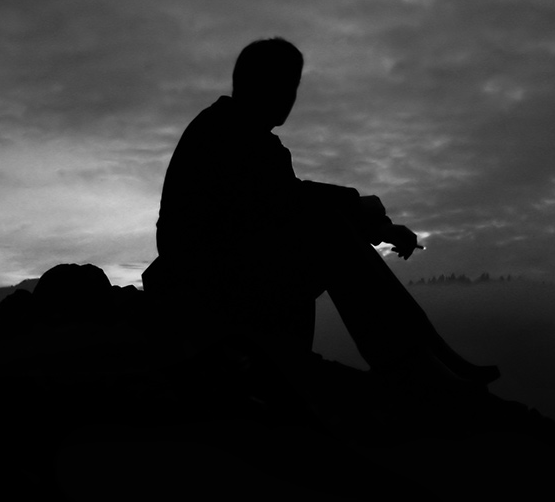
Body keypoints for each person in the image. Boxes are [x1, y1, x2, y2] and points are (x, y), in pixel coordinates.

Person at [142, 37, 498, 390]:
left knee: (324, 229)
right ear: (255, 83)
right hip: (203, 284)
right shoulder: (226, 131)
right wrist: (365, 209)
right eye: (283, 84)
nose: (289, 97)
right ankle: (414, 362)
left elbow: (287, 203)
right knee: (326, 232)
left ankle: (418, 356)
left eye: (293, 86)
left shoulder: (240, 133)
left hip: (219, 276)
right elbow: (289, 202)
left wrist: (372, 220)